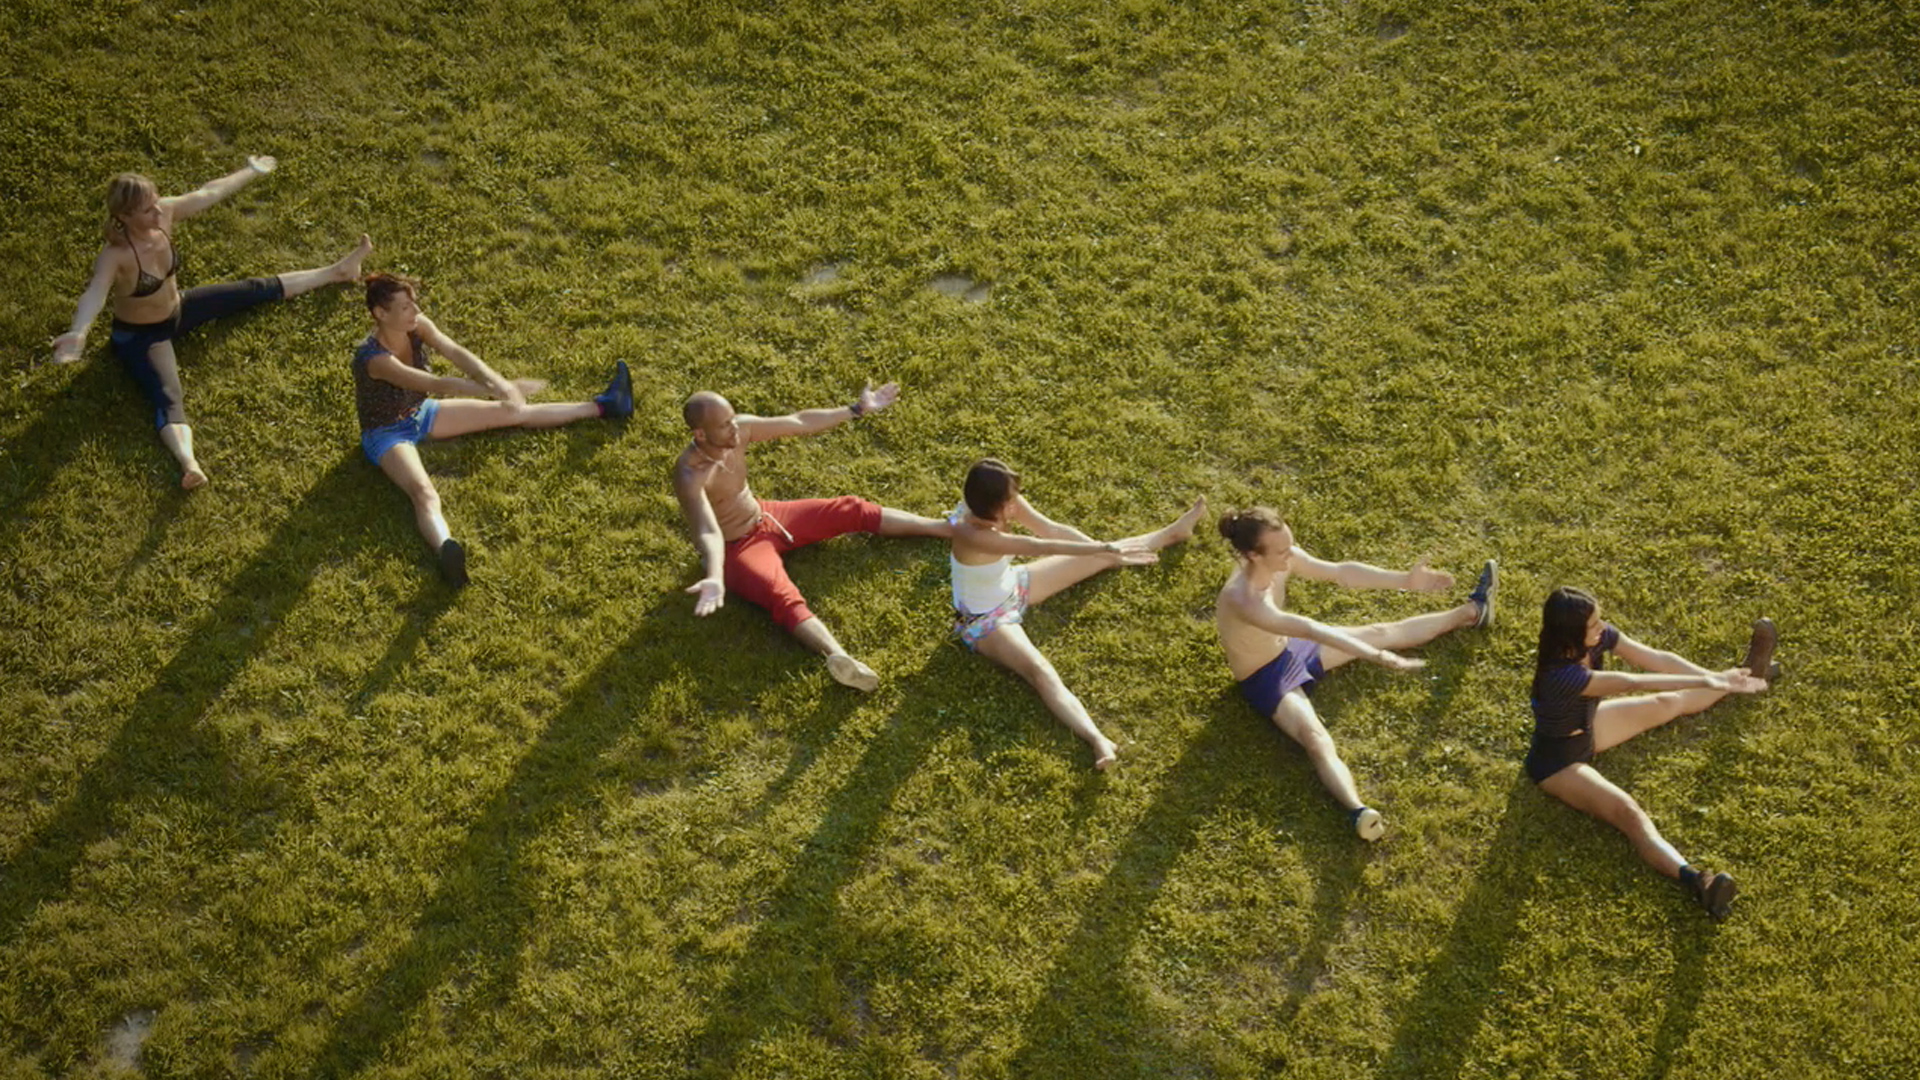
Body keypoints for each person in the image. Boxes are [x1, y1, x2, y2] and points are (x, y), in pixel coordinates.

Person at [52, 157, 372, 488]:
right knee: (168, 395)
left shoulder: (165, 212)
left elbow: (209, 193)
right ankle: (189, 464)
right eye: (148, 210)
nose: (159, 212)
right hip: (141, 337)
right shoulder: (115, 255)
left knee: (252, 290)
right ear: (124, 217)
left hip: (179, 309)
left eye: (156, 202)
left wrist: (251, 171)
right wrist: (79, 331)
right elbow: (95, 294)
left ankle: (338, 271)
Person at [1214, 507, 1496, 840]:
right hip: (1266, 676)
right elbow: (1312, 629)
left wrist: (1404, 580)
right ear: (1252, 555)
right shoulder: (1243, 600)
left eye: (1290, 545)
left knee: (1381, 629)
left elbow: (1340, 572)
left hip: (1290, 646)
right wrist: (1377, 657)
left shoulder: (1280, 558)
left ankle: (1474, 611)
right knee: (1315, 737)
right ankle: (1359, 811)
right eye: (1281, 551)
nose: (1290, 556)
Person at [354, 272, 632, 585]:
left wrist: (500, 385)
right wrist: (493, 389)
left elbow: (458, 353)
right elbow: (434, 382)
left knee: (515, 412)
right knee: (424, 492)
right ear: (381, 313)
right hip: (386, 433)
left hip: (422, 413)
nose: (416, 312)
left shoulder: (418, 326)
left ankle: (607, 405)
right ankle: (446, 548)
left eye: (414, 303)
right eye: (405, 307)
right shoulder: (373, 358)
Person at [673, 383, 950, 690]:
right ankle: (841, 659)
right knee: (782, 596)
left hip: (767, 515)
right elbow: (707, 529)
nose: (735, 428)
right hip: (735, 548)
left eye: (733, 418)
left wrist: (856, 410)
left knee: (851, 508)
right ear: (700, 434)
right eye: (724, 425)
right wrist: (714, 574)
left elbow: (798, 422)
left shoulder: (740, 431)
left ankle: (945, 528)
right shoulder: (690, 474)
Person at [1528, 586, 1774, 918]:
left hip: (1589, 728)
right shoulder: (1561, 675)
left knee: (1670, 701)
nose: (1602, 628)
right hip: (1558, 761)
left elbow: (1655, 658)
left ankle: (1745, 677)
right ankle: (1697, 880)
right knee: (1627, 811)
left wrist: (1712, 678)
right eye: (1594, 624)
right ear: (1570, 635)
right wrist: (1710, 681)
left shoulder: (1595, 638)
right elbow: (1631, 681)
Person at [946, 458, 1205, 769]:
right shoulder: (972, 534)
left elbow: (1050, 529)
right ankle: (1098, 739)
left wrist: (1103, 551)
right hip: (985, 621)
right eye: (1011, 499)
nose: (1017, 502)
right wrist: (1104, 550)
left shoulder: (997, 502)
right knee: (1039, 670)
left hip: (1013, 585)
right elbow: (1039, 546)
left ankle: (1170, 534)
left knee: (1103, 555)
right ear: (993, 504)